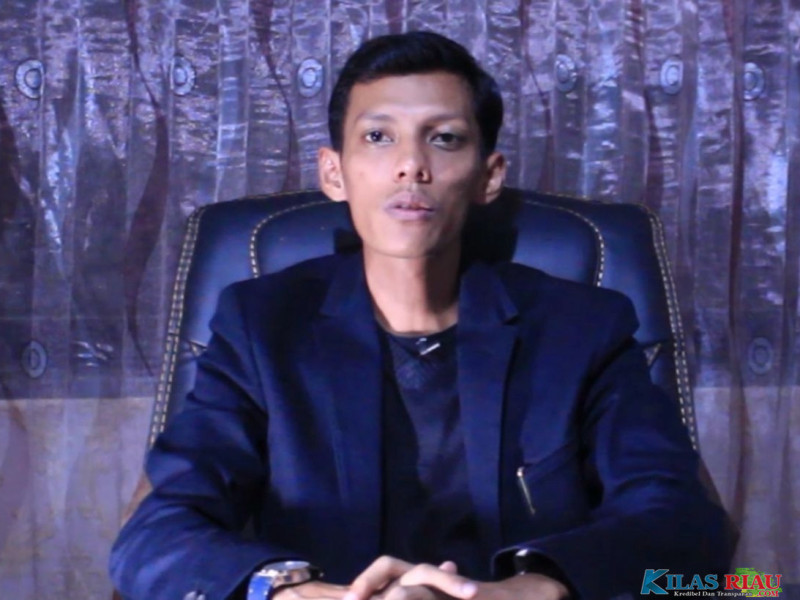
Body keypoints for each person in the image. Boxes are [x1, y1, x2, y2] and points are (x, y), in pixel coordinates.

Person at [110, 31, 733, 600]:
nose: (411, 165)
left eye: (445, 138)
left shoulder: (583, 328)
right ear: (334, 172)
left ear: (489, 176)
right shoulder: (262, 325)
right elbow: (154, 536)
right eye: (378, 137)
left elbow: (686, 529)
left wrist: (540, 588)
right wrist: (286, 592)